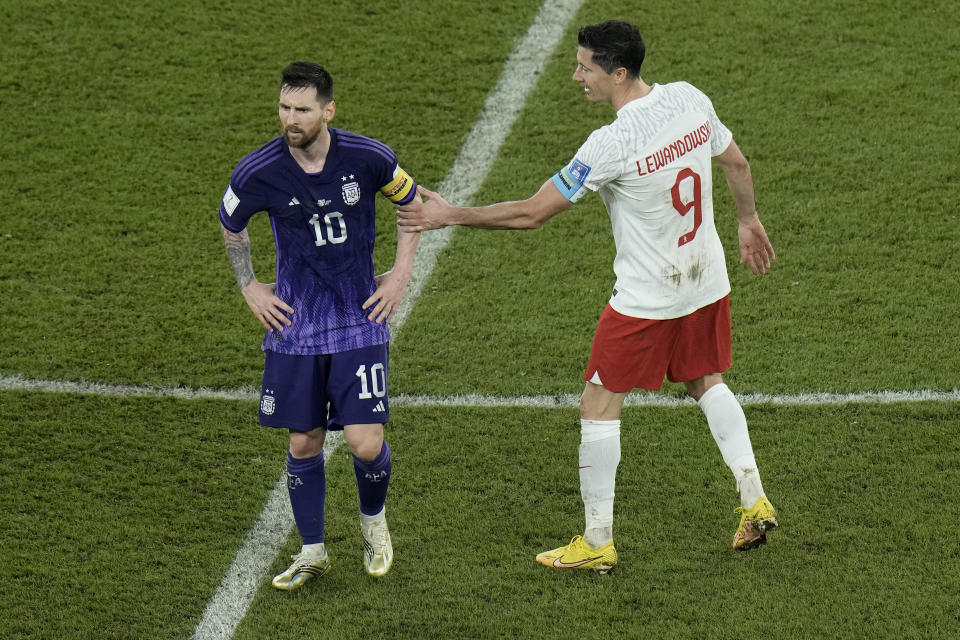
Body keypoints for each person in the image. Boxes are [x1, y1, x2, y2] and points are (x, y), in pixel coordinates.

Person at [397, 20, 777, 572]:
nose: (576, 75)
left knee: (598, 403)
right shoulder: (691, 99)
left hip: (648, 297)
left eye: (585, 67)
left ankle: (597, 540)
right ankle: (754, 498)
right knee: (704, 380)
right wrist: (748, 220)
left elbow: (532, 214)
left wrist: (448, 214)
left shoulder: (612, 142)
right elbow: (737, 163)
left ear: (618, 73)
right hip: (707, 277)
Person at [219, 61, 420, 589]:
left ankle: (373, 524)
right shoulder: (256, 171)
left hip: (358, 319)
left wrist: (400, 275)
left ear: (328, 111)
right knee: (303, 443)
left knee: (365, 443)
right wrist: (250, 286)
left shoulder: (369, 158)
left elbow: (414, 205)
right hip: (298, 328)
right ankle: (312, 551)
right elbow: (231, 225)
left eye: (302, 109)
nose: (291, 118)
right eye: (285, 107)